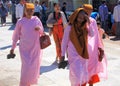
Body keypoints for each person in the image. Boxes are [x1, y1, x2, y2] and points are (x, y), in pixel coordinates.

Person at [10, 3, 44, 86]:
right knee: (26, 68)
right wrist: (12, 48)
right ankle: (23, 84)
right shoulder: (20, 21)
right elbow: (16, 35)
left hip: (35, 49)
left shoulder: (36, 20)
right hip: (24, 49)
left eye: (31, 10)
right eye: (27, 10)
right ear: (24, 11)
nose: (29, 12)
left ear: (33, 11)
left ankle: (28, 83)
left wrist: (39, 29)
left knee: (33, 68)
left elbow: (42, 31)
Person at [59, 8, 90, 86]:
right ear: (75, 16)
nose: (81, 20)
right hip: (73, 55)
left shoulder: (85, 27)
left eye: (83, 18)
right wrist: (62, 55)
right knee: (76, 75)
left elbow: (92, 34)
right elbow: (64, 42)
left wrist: (88, 21)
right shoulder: (69, 28)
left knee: (83, 75)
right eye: (79, 17)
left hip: (83, 54)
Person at [83, 4, 107, 86]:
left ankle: (90, 84)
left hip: (91, 50)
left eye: (90, 11)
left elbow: (95, 35)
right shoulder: (78, 20)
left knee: (91, 68)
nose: (88, 13)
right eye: (87, 11)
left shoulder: (92, 21)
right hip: (83, 48)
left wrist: (100, 47)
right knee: (84, 69)